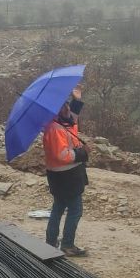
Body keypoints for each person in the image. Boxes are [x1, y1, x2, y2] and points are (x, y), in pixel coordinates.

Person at [43, 87, 89, 257]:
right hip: (66, 175)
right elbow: (62, 155)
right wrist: (82, 153)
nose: (68, 109)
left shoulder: (62, 123)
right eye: (65, 106)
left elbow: (73, 121)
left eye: (68, 106)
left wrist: (77, 100)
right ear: (58, 110)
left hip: (60, 175)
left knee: (58, 207)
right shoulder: (55, 129)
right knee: (75, 210)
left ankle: (51, 242)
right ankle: (67, 245)